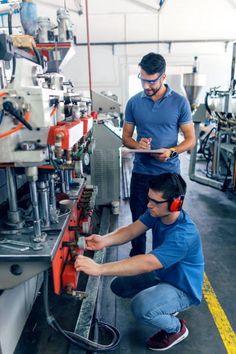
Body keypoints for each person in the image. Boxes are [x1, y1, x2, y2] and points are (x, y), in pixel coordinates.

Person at [74, 173, 204, 351]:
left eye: (155, 202)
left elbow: (147, 262)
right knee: (119, 286)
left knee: (141, 307)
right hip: (163, 274)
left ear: (176, 203)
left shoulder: (183, 235)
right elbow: (131, 230)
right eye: (149, 199)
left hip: (183, 288)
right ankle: (164, 304)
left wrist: (99, 269)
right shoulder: (157, 212)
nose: (149, 204)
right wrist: (104, 240)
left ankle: (176, 328)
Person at [122, 52, 196, 256]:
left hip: (168, 176)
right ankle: (137, 260)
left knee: (167, 222)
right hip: (141, 173)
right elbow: (126, 138)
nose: (146, 86)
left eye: (151, 81)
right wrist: (139, 145)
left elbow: (191, 139)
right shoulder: (134, 103)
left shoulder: (180, 103)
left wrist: (172, 152)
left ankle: (160, 263)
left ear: (163, 77)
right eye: (143, 79)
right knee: (139, 220)